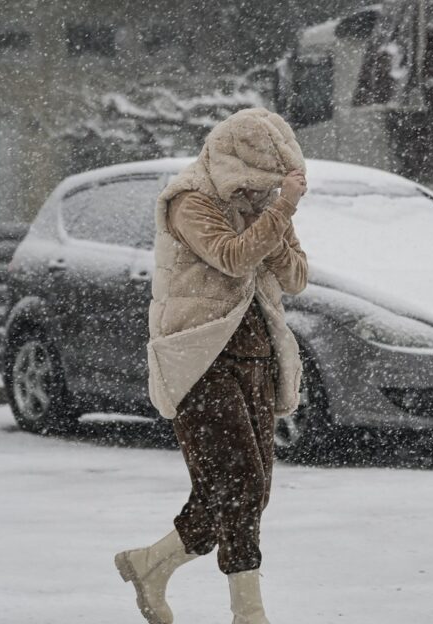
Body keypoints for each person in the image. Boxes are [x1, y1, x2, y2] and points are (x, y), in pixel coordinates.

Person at [115, 108, 308, 624]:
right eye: (252, 186)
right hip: (197, 357)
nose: (256, 195)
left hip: (255, 355)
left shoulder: (264, 208)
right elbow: (231, 257)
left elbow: (295, 278)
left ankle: (151, 564)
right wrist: (279, 211)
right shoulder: (189, 202)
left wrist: (278, 219)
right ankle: (249, 612)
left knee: (243, 488)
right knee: (240, 481)